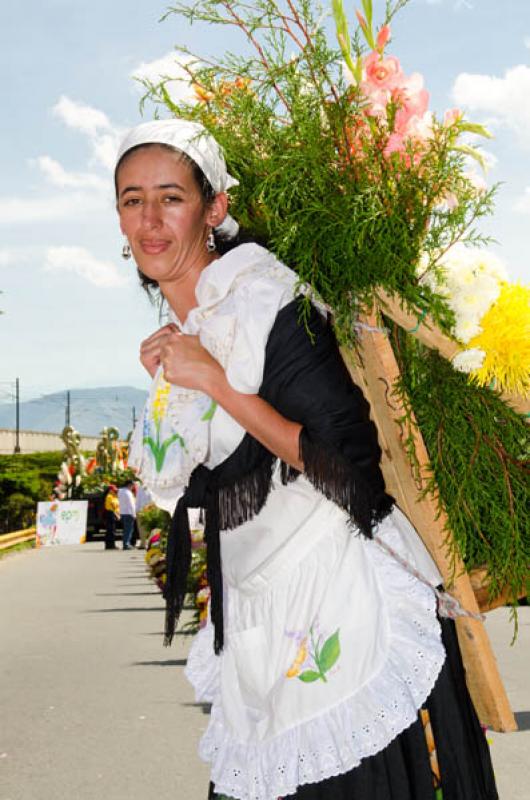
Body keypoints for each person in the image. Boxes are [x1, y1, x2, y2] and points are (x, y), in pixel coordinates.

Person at [115, 119, 498, 800]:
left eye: (170, 197)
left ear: (215, 208)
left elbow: (349, 468)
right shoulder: (195, 328)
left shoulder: (269, 300)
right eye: (131, 199)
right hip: (265, 623)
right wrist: (188, 376)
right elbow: (202, 483)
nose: (149, 219)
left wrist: (217, 384)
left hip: (343, 603)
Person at [118, 480, 136, 550]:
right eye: (132, 485)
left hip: (123, 512)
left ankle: (125, 543)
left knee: (126, 529)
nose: (133, 487)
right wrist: (134, 514)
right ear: (129, 485)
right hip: (129, 513)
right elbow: (131, 504)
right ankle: (126, 544)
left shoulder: (121, 491)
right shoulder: (128, 493)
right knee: (129, 530)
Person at [103, 484, 120, 550]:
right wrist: (116, 515)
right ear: (110, 490)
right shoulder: (109, 497)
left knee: (112, 530)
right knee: (111, 530)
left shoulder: (114, 496)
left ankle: (111, 544)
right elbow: (112, 507)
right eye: (113, 490)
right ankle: (110, 545)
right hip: (110, 513)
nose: (115, 491)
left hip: (113, 513)